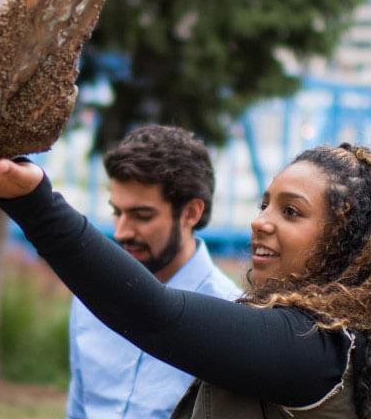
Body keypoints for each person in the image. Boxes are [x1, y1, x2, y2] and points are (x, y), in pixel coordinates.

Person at [0, 139, 371, 418]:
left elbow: (156, 315)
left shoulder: (313, 347)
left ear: (346, 238)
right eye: (264, 203)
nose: (261, 221)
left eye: (292, 212)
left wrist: (32, 200)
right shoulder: (312, 336)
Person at [67, 126, 243, 419]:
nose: (121, 232)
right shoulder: (90, 300)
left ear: (191, 213)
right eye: (117, 212)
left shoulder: (233, 316)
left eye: (141, 216)